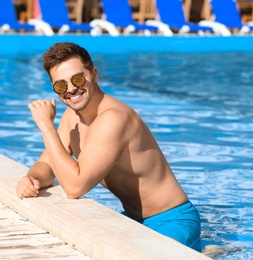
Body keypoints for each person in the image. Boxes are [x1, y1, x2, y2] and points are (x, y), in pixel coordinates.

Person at [16, 42, 201, 252]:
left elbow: (75, 187)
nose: (71, 89)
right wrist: (32, 179)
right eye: (61, 85)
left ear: (94, 74)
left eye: (78, 78)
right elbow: (46, 164)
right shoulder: (71, 118)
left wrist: (46, 126)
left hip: (171, 219)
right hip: (133, 220)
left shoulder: (113, 118)